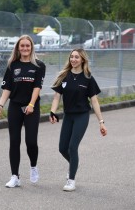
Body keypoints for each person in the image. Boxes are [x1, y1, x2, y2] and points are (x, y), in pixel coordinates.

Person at [49, 48, 107, 192]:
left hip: (82, 116)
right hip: (68, 115)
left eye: (76, 57)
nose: (73, 59)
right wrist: (52, 112)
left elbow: (94, 101)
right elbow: (57, 97)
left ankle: (71, 180)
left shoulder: (88, 78)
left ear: (82, 60)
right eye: (71, 57)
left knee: (72, 147)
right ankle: (74, 164)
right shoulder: (64, 76)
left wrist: (101, 122)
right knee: (62, 148)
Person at [0, 35, 46, 188]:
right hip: (15, 107)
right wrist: (0, 105)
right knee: (14, 141)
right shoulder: (12, 65)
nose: (24, 48)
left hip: (31, 108)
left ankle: (33, 166)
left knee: (31, 142)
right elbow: (7, 88)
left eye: (27, 46)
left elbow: (37, 87)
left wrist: (31, 104)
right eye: (22, 46)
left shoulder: (39, 65)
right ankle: (15, 176)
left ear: (31, 47)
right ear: (18, 48)